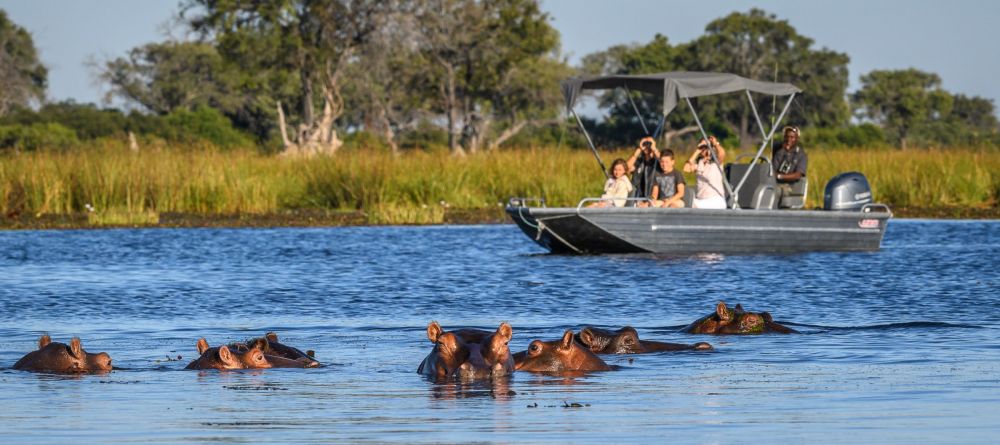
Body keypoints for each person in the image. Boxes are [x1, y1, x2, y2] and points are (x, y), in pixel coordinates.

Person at [683, 136, 727, 209]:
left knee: (692, 205)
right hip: (700, 200)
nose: (704, 148)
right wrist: (697, 151)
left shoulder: (716, 162)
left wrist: (715, 144)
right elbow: (686, 168)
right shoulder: (699, 163)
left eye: (706, 146)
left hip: (715, 200)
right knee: (686, 203)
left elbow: (722, 154)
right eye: (703, 146)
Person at [772, 125, 808, 200]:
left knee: (772, 192)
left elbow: (797, 175)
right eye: (787, 137)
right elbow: (772, 170)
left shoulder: (801, 155)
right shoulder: (779, 152)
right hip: (775, 184)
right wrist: (783, 151)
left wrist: (779, 176)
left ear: (797, 139)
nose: (789, 140)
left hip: (790, 186)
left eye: (792, 137)